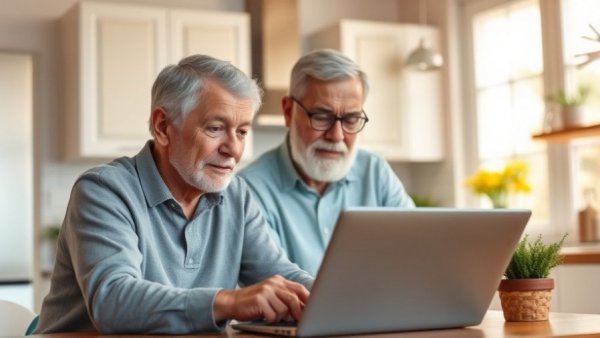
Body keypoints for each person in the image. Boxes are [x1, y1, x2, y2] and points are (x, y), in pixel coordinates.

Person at [35, 55, 313, 334]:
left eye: (241, 132)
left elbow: (280, 276)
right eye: (215, 129)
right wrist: (228, 301)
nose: (234, 150)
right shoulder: (104, 190)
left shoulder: (236, 196)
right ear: (163, 126)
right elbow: (113, 301)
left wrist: (336, 297)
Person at [239, 49, 415, 276]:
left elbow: (415, 250)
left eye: (351, 119)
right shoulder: (250, 191)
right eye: (321, 117)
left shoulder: (375, 172)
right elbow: (278, 286)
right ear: (288, 111)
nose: (337, 136)